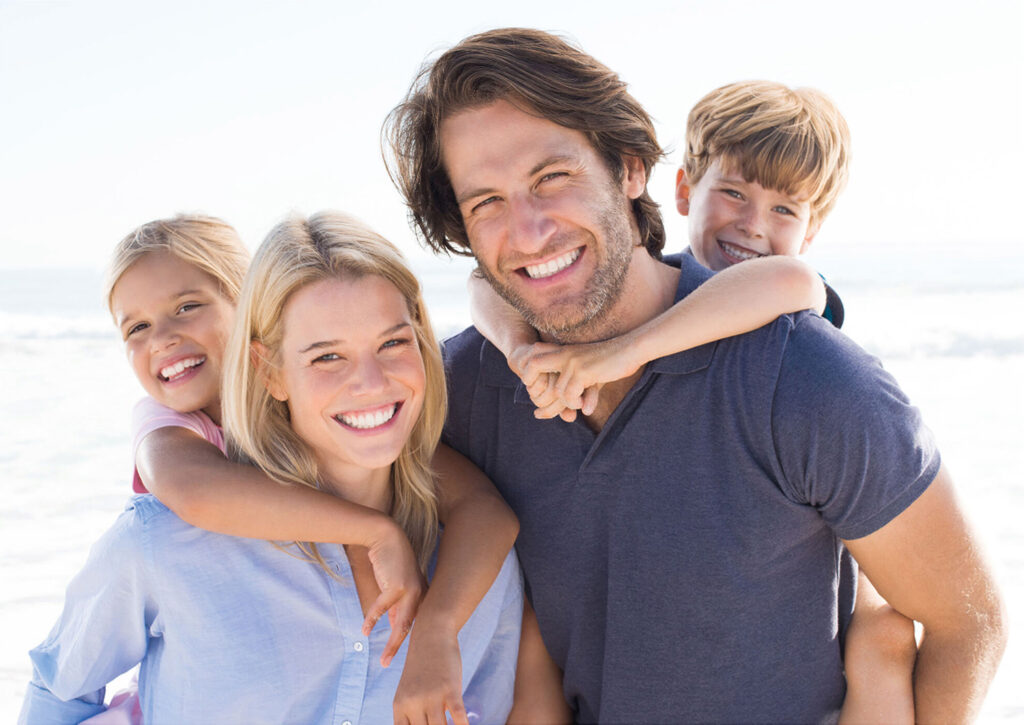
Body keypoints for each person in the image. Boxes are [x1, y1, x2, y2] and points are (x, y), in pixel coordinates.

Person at [384, 27, 1008, 723]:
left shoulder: (801, 377)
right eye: (486, 203)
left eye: (551, 178)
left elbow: (965, 619)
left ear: (628, 168)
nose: (528, 231)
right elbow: (295, 454)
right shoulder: (463, 388)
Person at [466, 79, 916, 722]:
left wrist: (624, 353)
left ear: (812, 230)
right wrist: (518, 347)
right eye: (732, 192)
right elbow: (483, 282)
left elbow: (788, 278)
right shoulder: (643, 280)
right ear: (682, 191)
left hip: (816, 583)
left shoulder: (787, 308)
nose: (753, 225)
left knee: (885, 643)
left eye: (786, 210)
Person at [19, 213, 558, 725]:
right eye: (327, 356)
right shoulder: (164, 533)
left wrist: (436, 622)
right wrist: (377, 532)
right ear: (267, 370)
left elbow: (482, 510)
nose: (370, 382)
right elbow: (58, 690)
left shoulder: (472, 565)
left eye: (393, 343)